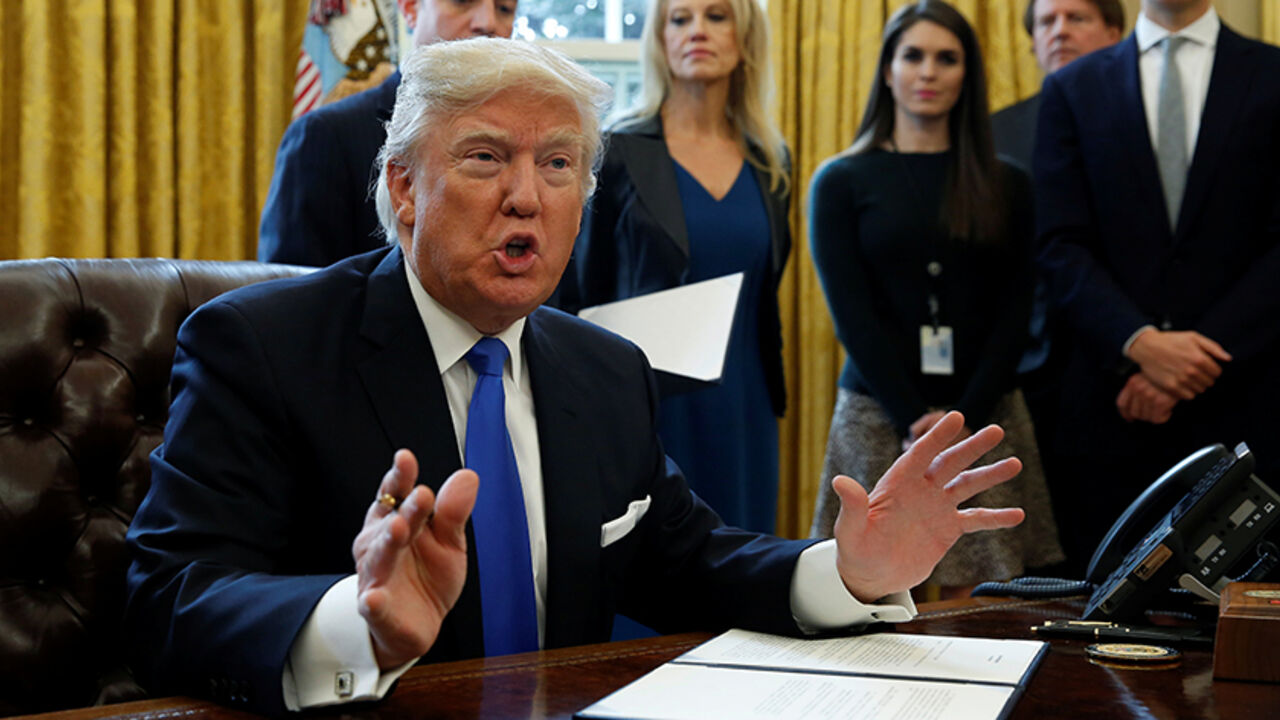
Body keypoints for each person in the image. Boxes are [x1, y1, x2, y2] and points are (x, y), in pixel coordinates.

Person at [125, 37, 1027, 716]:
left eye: (558, 164)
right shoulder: (261, 346)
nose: (527, 196)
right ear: (403, 189)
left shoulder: (605, 368)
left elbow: (684, 560)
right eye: (486, 157)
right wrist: (351, 621)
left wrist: (850, 572)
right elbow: (169, 597)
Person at [808, 0, 1062, 597]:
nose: (928, 71)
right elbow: (852, 316)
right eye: (913, 56)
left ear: (967, 74)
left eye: (947, 58)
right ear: (888, 69)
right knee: (865, 591)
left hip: (985, 412)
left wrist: (960, 421)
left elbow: (1015, 311)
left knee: (985, 598)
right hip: (878, 412)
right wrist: (913, 419)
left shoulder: (1007, 182)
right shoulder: (840, 180)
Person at [1034, 0, 1280, 575]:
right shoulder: (1072, 87)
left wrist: (1193, 359)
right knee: (1101, 605)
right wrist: (1138, 343)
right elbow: (1058, 243)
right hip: (1109, 404)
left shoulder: (1271, 75)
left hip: (1247, 401)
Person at [568, 0, 790, 534]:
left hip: (746, 404)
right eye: (680, 18)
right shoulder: (618, 150)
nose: (697, 31)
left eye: (716, 16)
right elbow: (580, 291)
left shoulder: (770, 159)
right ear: (660, 39)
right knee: (655, 562)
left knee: (745, 556)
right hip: (651, 405)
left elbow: (765, 292)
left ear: (745, 37)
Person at [256, 0, 517, 267]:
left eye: (504, 9)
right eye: (463, 2)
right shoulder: (325, 136)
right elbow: (296, 287)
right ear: (411, 7)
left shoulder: (530, 141)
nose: (488, 23)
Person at [991, 0, 1124, 171]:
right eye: (1047, 22)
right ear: (1033, 42)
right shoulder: (996, 132)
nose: (1060, 31)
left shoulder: (1141, 113)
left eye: (1076, 19)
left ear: (1113, 35)